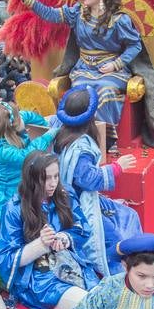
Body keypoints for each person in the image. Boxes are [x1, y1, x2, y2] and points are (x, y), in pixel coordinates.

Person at [5, 0, 143, 129]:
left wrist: (116, 64)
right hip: (84, 70)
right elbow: (51, 14)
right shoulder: (78, 12)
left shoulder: (119, 20)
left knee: (105, 90)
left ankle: (105, 136)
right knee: (81, 93)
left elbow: (135, 46)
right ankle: (80, 134)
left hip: (111, 71)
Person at [53, 87, 141, 278]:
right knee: (114, 237)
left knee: (128, 214)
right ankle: (118, 277)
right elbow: (89, 180)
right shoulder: (81, 147)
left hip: (67, 197)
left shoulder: (59, 132)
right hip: (77, 204)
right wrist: (117, 167)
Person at [0, 151, 97, 309]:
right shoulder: (13, 209)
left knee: (102, 301)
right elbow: (5, 258)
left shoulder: (65, 195)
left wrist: (65, 237)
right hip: (39, 278)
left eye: (56, 176)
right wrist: (41, 244)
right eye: (46, 178)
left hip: (72, 264)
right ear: (32, 178)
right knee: (92, 307)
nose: (53, 183)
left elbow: (82, 228)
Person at [0, 101, 55, 231]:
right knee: (8, 235)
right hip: (2, 200)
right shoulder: (2, 150)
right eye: (19, 117)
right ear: (11, 126)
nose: (22, 117)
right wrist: (49, 134)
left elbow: (28, 115)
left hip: (19, 191)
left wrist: (45, 124)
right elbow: (27, 155)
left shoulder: (14, 120)